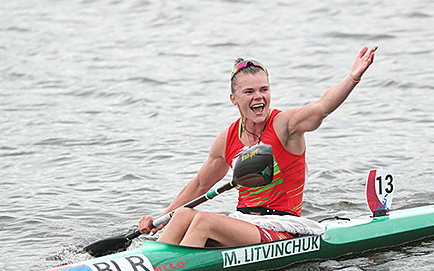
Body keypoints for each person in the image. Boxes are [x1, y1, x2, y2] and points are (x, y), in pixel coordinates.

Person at [139, 46, 378, 247]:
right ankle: (146, 266)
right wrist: (160, 220)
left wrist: (353, 77)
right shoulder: (227, 138)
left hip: (283, 229)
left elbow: (322, 106)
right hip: (243, 222)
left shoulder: (285, 125)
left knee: (203, 222)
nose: (259, 97)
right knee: (182, 216)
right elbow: (200, 185)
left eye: (264, 89)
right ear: (234, 99)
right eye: (249, 91)